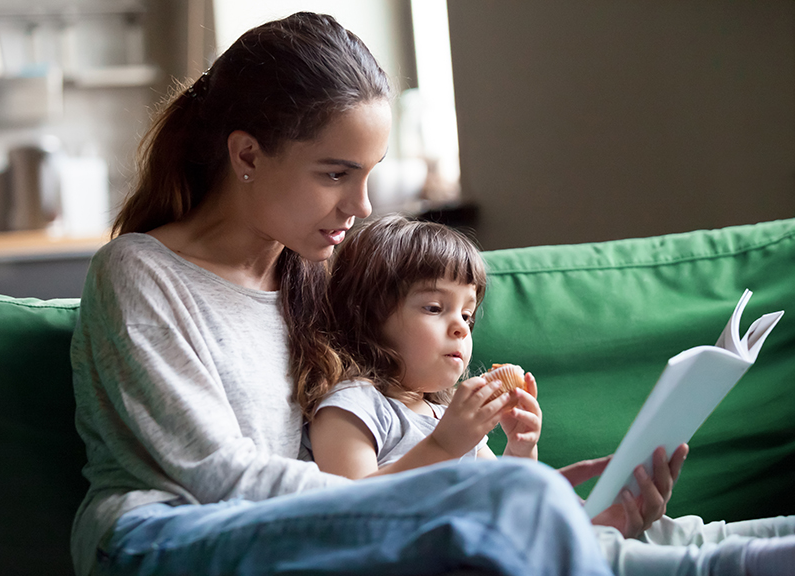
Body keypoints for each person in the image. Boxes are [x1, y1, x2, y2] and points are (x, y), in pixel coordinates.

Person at [70, 12, 616, 576]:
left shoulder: (318, 276)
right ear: (248, 156)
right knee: (501, 512)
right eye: (335, 175)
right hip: (162, 537)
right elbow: (217, 476)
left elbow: (397, 427)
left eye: (369, 174)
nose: (362, 206)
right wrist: (447, 488)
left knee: (538, 516)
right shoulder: (140, 274)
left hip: (307, 534)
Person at [303, 214, 795, 576]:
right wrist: (442, 448)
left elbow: (508, 497)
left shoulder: (443, 412)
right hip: (466, 559)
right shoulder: (354, 405)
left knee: (671, 529)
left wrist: (521, 452)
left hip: (509, 543)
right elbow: (345, 514)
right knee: (619, 557)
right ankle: (740, 565)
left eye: (468, 315)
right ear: (368, 315)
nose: (459, 327)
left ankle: (756, 542)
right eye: (435, 307)